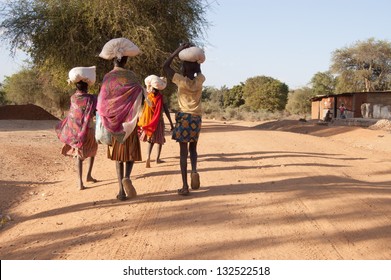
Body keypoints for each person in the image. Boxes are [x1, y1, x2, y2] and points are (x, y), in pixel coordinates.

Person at [97, 38, 144, 201]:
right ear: (126, 59)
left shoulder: (108, 77)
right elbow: (140, 95)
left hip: (114, 123)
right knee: (130, 154)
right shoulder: (131, 76)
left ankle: (120, 190)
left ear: (113, 60)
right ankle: (128, 177)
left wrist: (107, 118)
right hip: (129, 124)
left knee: (118, 157)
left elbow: (102, 101)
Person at [163, 43, 206, 196]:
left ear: (184, 69)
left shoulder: (180, 80)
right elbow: (199, 70)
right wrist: (196, 59)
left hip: (184, 118)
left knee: (183, 153)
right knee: (193, 148)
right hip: (196, 118)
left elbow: (165, 66)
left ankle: (185, 186)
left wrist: (179, 49)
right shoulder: (200, 80)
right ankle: (194, 170)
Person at [55, 66, 98, 190]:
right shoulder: (91, 98)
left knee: (79, 155)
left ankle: (80, 182)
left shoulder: (73, 98)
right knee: (92, 152)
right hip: (88, 129)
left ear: (76, 87)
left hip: (75, 130)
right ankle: (88, 175)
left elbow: (73, 114)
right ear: (87, 87)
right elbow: (95, 112)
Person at [138, 75, 174, 168]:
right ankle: (157, 159)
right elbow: (166, 110)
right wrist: (171, 123)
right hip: (158, 121)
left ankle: (148, 157)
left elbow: (144, 109)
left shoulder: (148, 96)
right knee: (160, 140)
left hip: (149, 121)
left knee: (150, 140)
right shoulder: (161, 97)